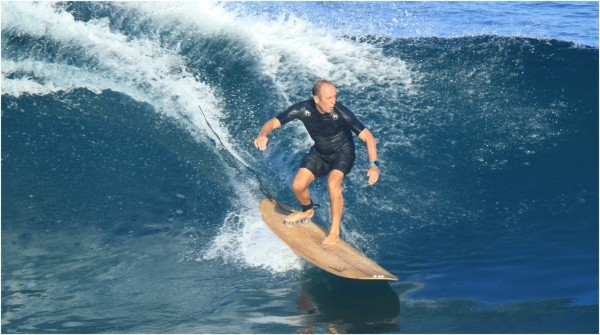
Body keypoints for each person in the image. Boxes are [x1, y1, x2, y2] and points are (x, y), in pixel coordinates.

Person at [253, 80, 380, 245]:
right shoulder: (302, 109)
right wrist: (263, 134)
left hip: (343, 153)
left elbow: (368, 137)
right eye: (329, 98)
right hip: (320, 152)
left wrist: (373, 165)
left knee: (333, 182)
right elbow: (273, 122)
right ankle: (307, 211)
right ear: (316, 99)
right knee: (298, 185)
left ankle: (334, 231)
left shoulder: (341, 113)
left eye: (335, 97)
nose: (333, 101)